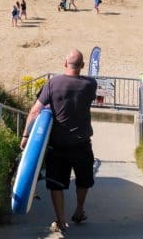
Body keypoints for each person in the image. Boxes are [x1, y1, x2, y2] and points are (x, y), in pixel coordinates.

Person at [21, 49, 96, 233]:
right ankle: (79, 210)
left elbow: (35, 111)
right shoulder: (90, 85)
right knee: (83, 180)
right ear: (83, 66)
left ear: (64, 63)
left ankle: (61, 222)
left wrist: (26, 136)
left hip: (58, 145)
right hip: (81, 143)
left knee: (56, 184)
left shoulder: (53, 83)